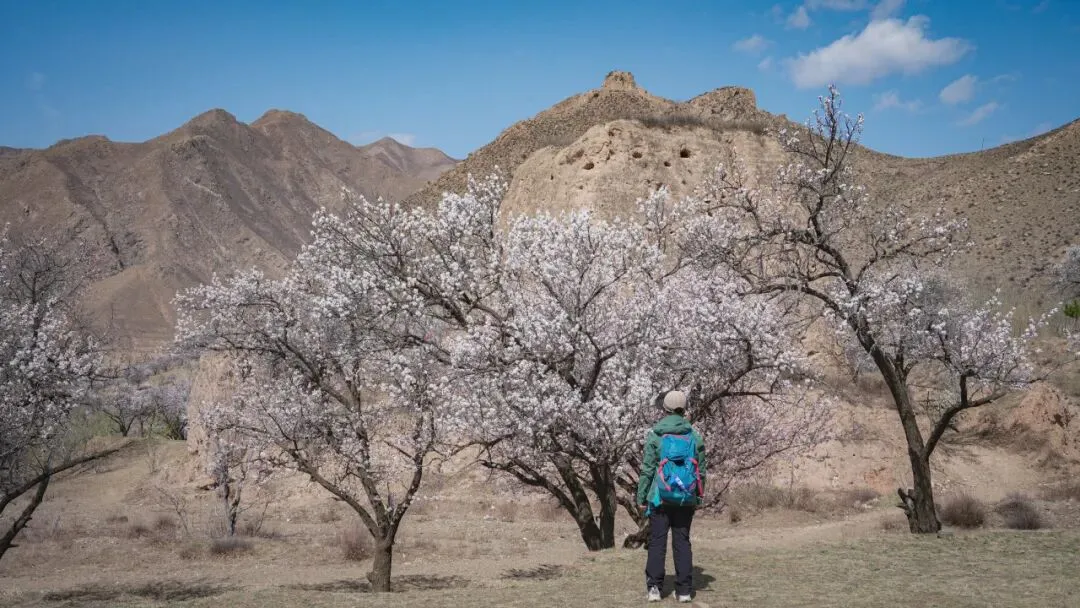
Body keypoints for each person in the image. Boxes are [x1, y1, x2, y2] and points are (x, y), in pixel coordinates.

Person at [636, 390, 706, 603]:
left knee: (657, 541)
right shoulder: (693, 436)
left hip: (660, 497)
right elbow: (701, 471)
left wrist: (641, 497)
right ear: (684, 409)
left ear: (665, 409)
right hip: (685, 497)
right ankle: (684, 591)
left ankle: (654, 588)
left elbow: (648, 469)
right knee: (682, 541)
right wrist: (698, 496)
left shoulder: (656, 435)